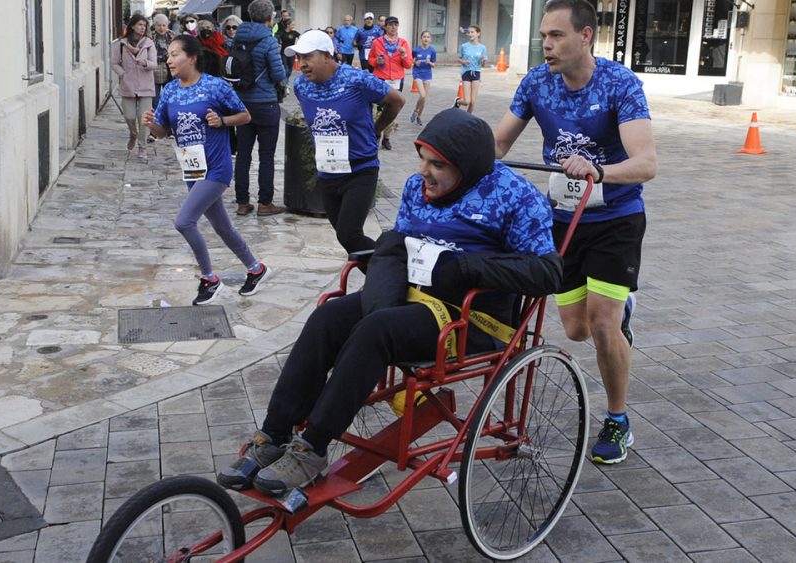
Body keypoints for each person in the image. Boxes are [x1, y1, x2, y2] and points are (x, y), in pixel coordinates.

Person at [216, 108, 563, 496]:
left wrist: (467, 267)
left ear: (467, 166)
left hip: (470, 321)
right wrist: (382, 295)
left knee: (377, 330)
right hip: (411, 298)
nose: (424, 173)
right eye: (422, 159)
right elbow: (397, 246)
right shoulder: (418, 188)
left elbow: (547, 273)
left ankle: (312, 448)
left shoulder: (516, 197)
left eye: (438, 165)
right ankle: (275, 433)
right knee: (329, 316)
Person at [493, 0, 657, 465]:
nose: (546, 44)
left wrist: (599, 170)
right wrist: (458, 156)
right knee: (577, 329)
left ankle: (618, 420)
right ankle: (618, 307)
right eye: (544, 35)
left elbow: (647, 163)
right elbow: (500, 141)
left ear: (585, 37)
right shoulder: (536, 83)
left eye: (557, 35)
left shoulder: (619, 83)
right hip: (561, 219)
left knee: (604, 323)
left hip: (614, 221)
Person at [143, 34, 272, 305]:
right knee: (222, 226)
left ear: (192, 58)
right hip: (192, 169)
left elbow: (245, 115)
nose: (169, 60)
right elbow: (164, 131)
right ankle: (256, 268)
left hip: (217, 168)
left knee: (184, 221)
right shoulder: (169, 91)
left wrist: (222, 120)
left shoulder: (215, 87)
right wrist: (151, 124)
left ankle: (210, 279)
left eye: (175, 54)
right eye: (168, 55)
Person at [284, 29, 405, 255]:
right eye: (299, 58)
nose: (302, 64)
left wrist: (375, 130)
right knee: (346, 238)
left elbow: (397, 100)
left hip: (360, 169)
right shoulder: (302, 86)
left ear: (327, 55)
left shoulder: (356, 80)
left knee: (350, 234)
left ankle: (391, 270)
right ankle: (387, 275)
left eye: (308, 57)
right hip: (328, 171)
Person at [232, 0, 288, 216]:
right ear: (270, 18)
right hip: (265, 103)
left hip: (242, 103)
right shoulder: (268, 41)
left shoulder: (237, 38)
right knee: (266, 155)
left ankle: (242, 202)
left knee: (244, 154)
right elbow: (278, 74)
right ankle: (265, 203)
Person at [112, 13, 156, 159]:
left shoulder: (149, 43)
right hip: (128, 84)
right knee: (129, 116)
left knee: (144, 118)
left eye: (144, 25)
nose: (142, 28)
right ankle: (133, 134)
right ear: (132, 26)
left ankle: (142, 147)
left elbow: (154, 64)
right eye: (139, 25)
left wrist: (146, 63)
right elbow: (114, 63)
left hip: (146, 85)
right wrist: (123, 74)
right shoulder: (122, 43)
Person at [368, 16, 412, 150]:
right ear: (385, 27)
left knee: (394, 110)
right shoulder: (377, 42)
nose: (393, 27)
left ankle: (387, 138)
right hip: (381, 78)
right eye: (390, 25)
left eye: (396, 25)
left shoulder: (403, 43)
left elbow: (409, 64)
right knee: (381, 109)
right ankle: (377, 134)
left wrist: (404, 55)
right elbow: (370, 59)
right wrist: (377, 62)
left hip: (397, 80)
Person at [454, 25, 487, 114]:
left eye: (472, 32)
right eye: (468, 32)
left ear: (478, 34)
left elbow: (483, 65)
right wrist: (463, 62)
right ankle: (458, 101)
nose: (470, 34)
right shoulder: (464, 46)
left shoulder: (482, 48)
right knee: (467, 101)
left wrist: (483, 60)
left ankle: (468, 118)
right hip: (466, 72)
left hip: (476, 73)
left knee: (473, 101)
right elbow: (458, 58)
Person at [410, 30, 437, 126]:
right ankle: (416, 111)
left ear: (430, 39)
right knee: (422, 95)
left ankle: (418, 116)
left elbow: (434, 64)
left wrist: (429, 62)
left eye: (428, 37)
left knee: (424, 98)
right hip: (417, 73)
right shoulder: (416, 50)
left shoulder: (432, 50)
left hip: (427, 74)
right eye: (424, 37)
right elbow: (411, 61)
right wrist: (414, 62)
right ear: (421, 38)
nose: (426, 39)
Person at [151, 14, 174, 113]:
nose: (161, 28)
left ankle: (168, 117)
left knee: (169, 97)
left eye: (164, 25)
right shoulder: (150, 37)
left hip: (169, 70)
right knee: (155, 100)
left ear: (167, 25)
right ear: (155, 26)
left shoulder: (172, 36)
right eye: (159, 25)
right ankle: (157, 119)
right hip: (154, 72)